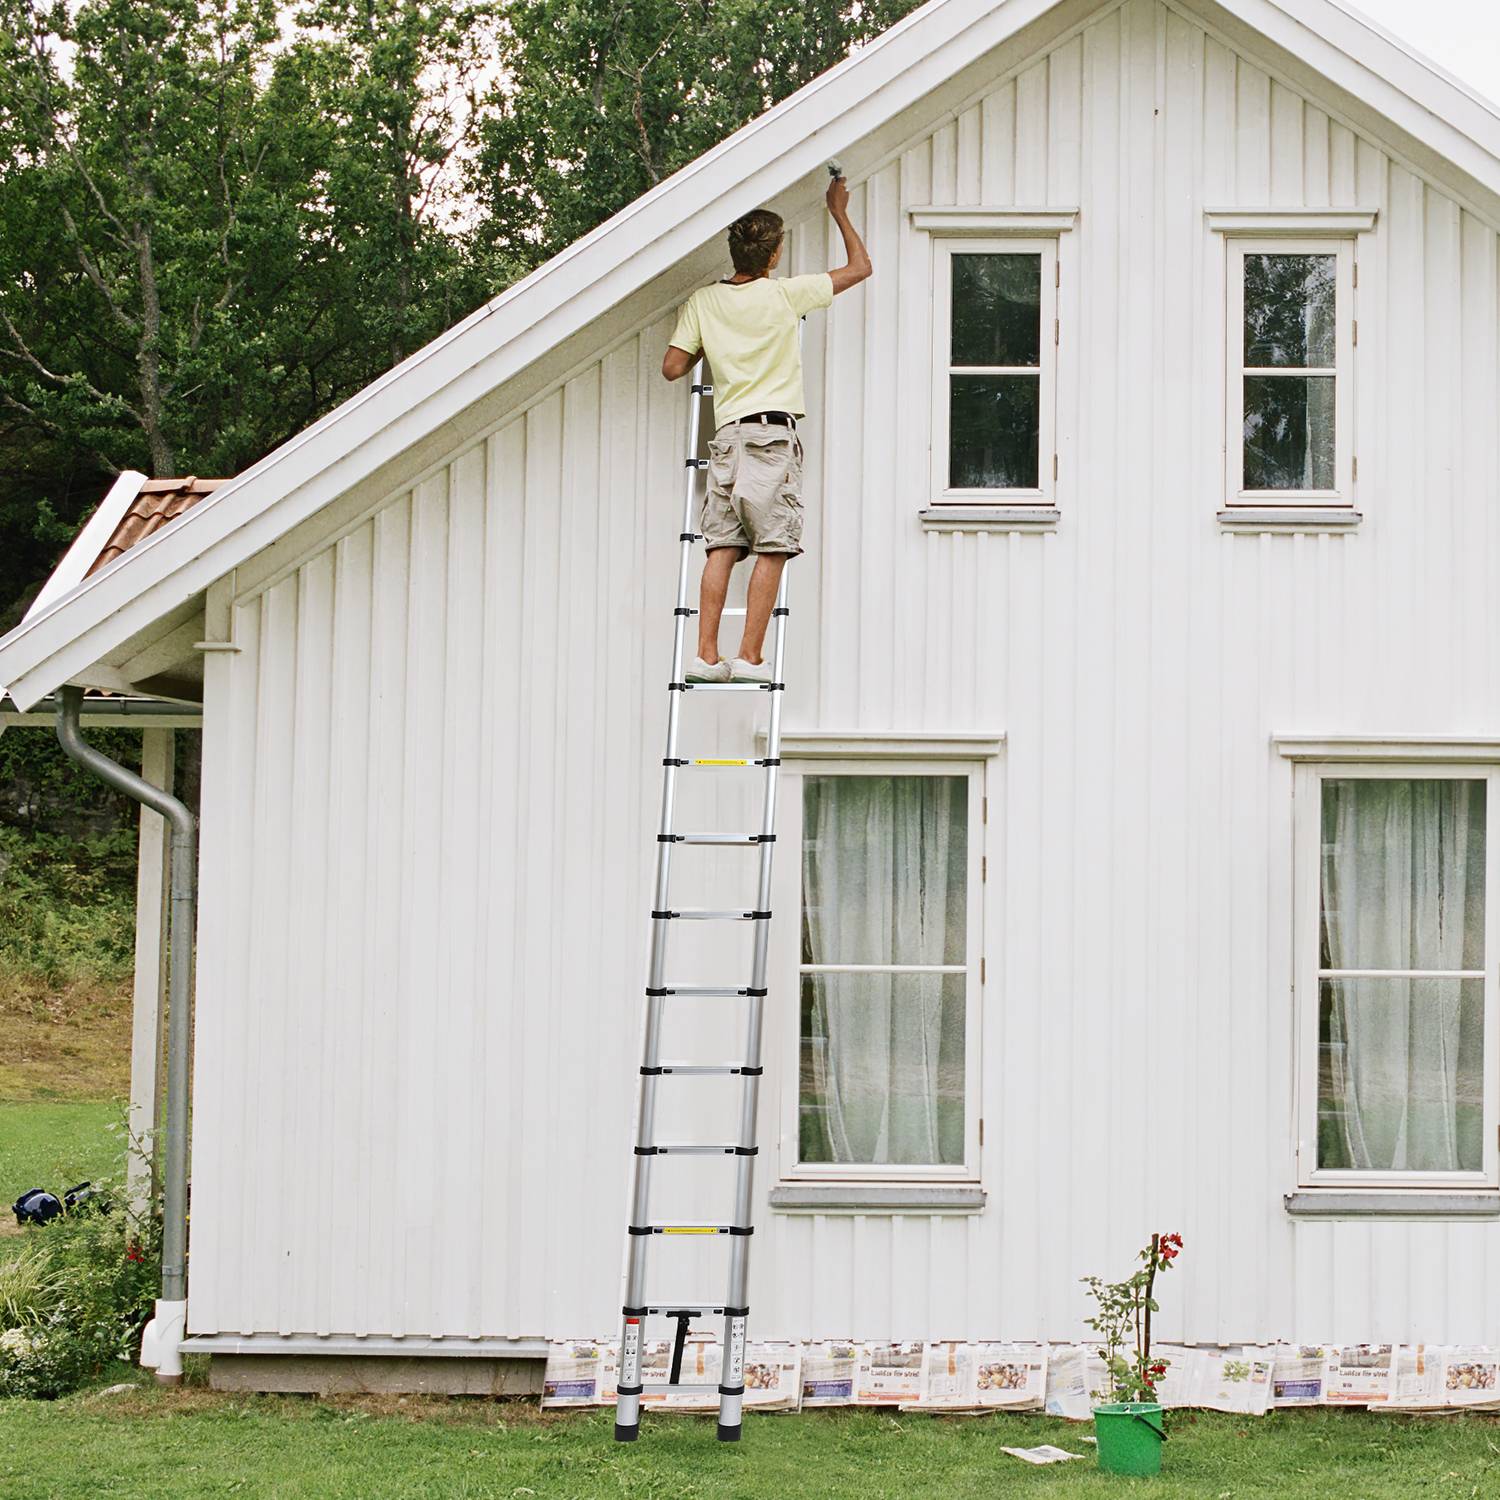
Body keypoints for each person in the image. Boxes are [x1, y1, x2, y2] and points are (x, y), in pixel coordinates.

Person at [662, 175, 872, 682]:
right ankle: (750, 657)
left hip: (728, 437)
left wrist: (708, 344)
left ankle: (706, 657)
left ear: (734, 253)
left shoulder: (703, 302)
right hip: (771, 437)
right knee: (775, 543)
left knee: (722, 547)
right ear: (774, 255)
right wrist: (839, 211)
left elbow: (672, 367)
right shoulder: (785, 295)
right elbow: (861, 268)